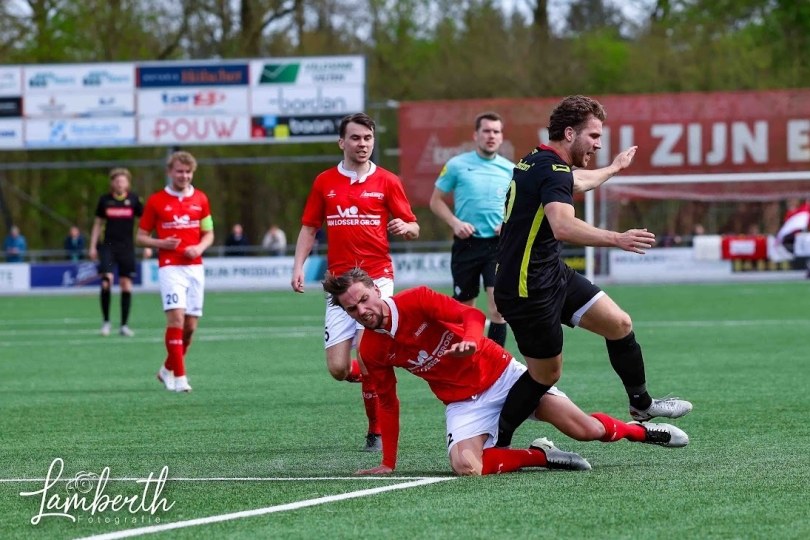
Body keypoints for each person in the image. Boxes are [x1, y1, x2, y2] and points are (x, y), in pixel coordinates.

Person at [323, 268, 689, 476]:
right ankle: (541, 455)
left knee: (588, 430)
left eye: (363, 299)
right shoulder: (371, 348)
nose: (362, 310)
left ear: (375, 289)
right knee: (467, 467)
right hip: (464, 403)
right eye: (352, 309)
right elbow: (387, 401)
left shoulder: (415, 298)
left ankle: (638, 431)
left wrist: (470, 338)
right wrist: (388, 463)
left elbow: (472, 316)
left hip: (503, 376)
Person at [493, 95, 693, 449]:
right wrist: (617, 238)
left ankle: (642, 405)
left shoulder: (537, 160)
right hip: (527, 290)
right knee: (546, 375)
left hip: (549, 273)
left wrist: (614, 169)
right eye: (594, 136)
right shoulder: (552, 170)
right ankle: (498, 440)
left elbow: (577, 181)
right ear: (569, 133)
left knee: (619, 324)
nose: (598, 144)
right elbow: (563, 227)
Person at [291, 112, 420, 452]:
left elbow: (412, 224)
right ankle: (375, 375)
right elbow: (309, 228)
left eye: (367, 138)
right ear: (341, 142)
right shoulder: (324, 182)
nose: (362, 144)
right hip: (338, 283)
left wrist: (407, 228)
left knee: (366, 355)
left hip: (377, 279)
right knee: (337, 368)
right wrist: (298, 266)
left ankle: (375, 431)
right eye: (355, 138)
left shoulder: (388, 181)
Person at [429, 112, 513, 346]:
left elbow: (521, 207)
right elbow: (435, 201)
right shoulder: (457, 165)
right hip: (466, 244)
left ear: (501, 137)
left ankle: (496, 363)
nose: (491, 136)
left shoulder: (510, 170)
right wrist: (456, 223)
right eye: (486, 131)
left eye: (496, 132)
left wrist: (507, 225)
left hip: (498, 246)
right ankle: (466, 359)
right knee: (465, 308)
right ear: (475, 135)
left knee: (498, 307)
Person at [136, 151, 214, 393]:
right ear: (170, 172)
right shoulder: (156, 201)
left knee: (190, 327)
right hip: (170, 268)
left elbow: (209, 233)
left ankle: (166, 369)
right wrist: (161, 244)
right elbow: (140, 237)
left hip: (195, 268)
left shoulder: (200, 198)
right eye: (179, 171)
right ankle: (180, 378)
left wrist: (199, 247)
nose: (184, 176)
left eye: (188, 172)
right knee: (176, 319)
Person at [89, 169, 147, 337]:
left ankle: (124, 325)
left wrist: (147, 245)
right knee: (106, 281)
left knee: (126, 285)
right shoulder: (105, 200)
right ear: (112, 183)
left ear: (127, 183)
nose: (120, 184)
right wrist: (93, 246)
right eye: (117, 181)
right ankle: (106, 322)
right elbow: (98, 224)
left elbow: (145, 222)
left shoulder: (134, 200)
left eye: (123, 181)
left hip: (127, 248)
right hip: (107, 246)